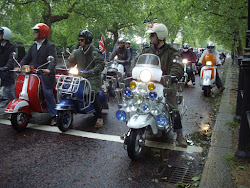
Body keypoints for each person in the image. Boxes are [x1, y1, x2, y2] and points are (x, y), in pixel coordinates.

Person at [130, 23, 187, 147]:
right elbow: (136, 63)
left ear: (160, 36)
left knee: (172, 106)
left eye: (153, 35)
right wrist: (133, 71)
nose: (150, 37)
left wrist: (172, 76)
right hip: (147, 82)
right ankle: (132, 129)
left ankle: (179, 134)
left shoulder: (173, 52)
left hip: (165, 82)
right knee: (134, 100)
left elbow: (178, 66)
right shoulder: (146, 51)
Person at [19, 23, 58, 126]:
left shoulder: (50, 46)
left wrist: (49, 69)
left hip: (46, 75)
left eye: (36, 31)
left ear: (42, 33)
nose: (34, 33)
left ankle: (54, 116)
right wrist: (20, 66)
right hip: (34, 72)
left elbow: (53, 60)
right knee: (24, 87)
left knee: (47, 92)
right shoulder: (33, 46)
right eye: (35, 31)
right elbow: (26, 58)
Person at [68, 30, 105, 128]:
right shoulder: (78, 52)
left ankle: (99, 117)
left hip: (93, 77)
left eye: (82, 40)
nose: (79, 41)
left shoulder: (95, 52)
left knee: (92, 92)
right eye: (79, 40)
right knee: (69, 88)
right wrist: (65, 66)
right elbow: (71, 62)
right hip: (80, 76)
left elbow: (101, 64)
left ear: (88, 40)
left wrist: (93, 70)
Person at [0, 26, 16, 107]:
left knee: (8, 90)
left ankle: (14, 105)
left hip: (8, 72)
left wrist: (5, 67)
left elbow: (11, 60)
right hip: (1, 70)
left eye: (0, 34)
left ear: (5, 35)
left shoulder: (11, 47)